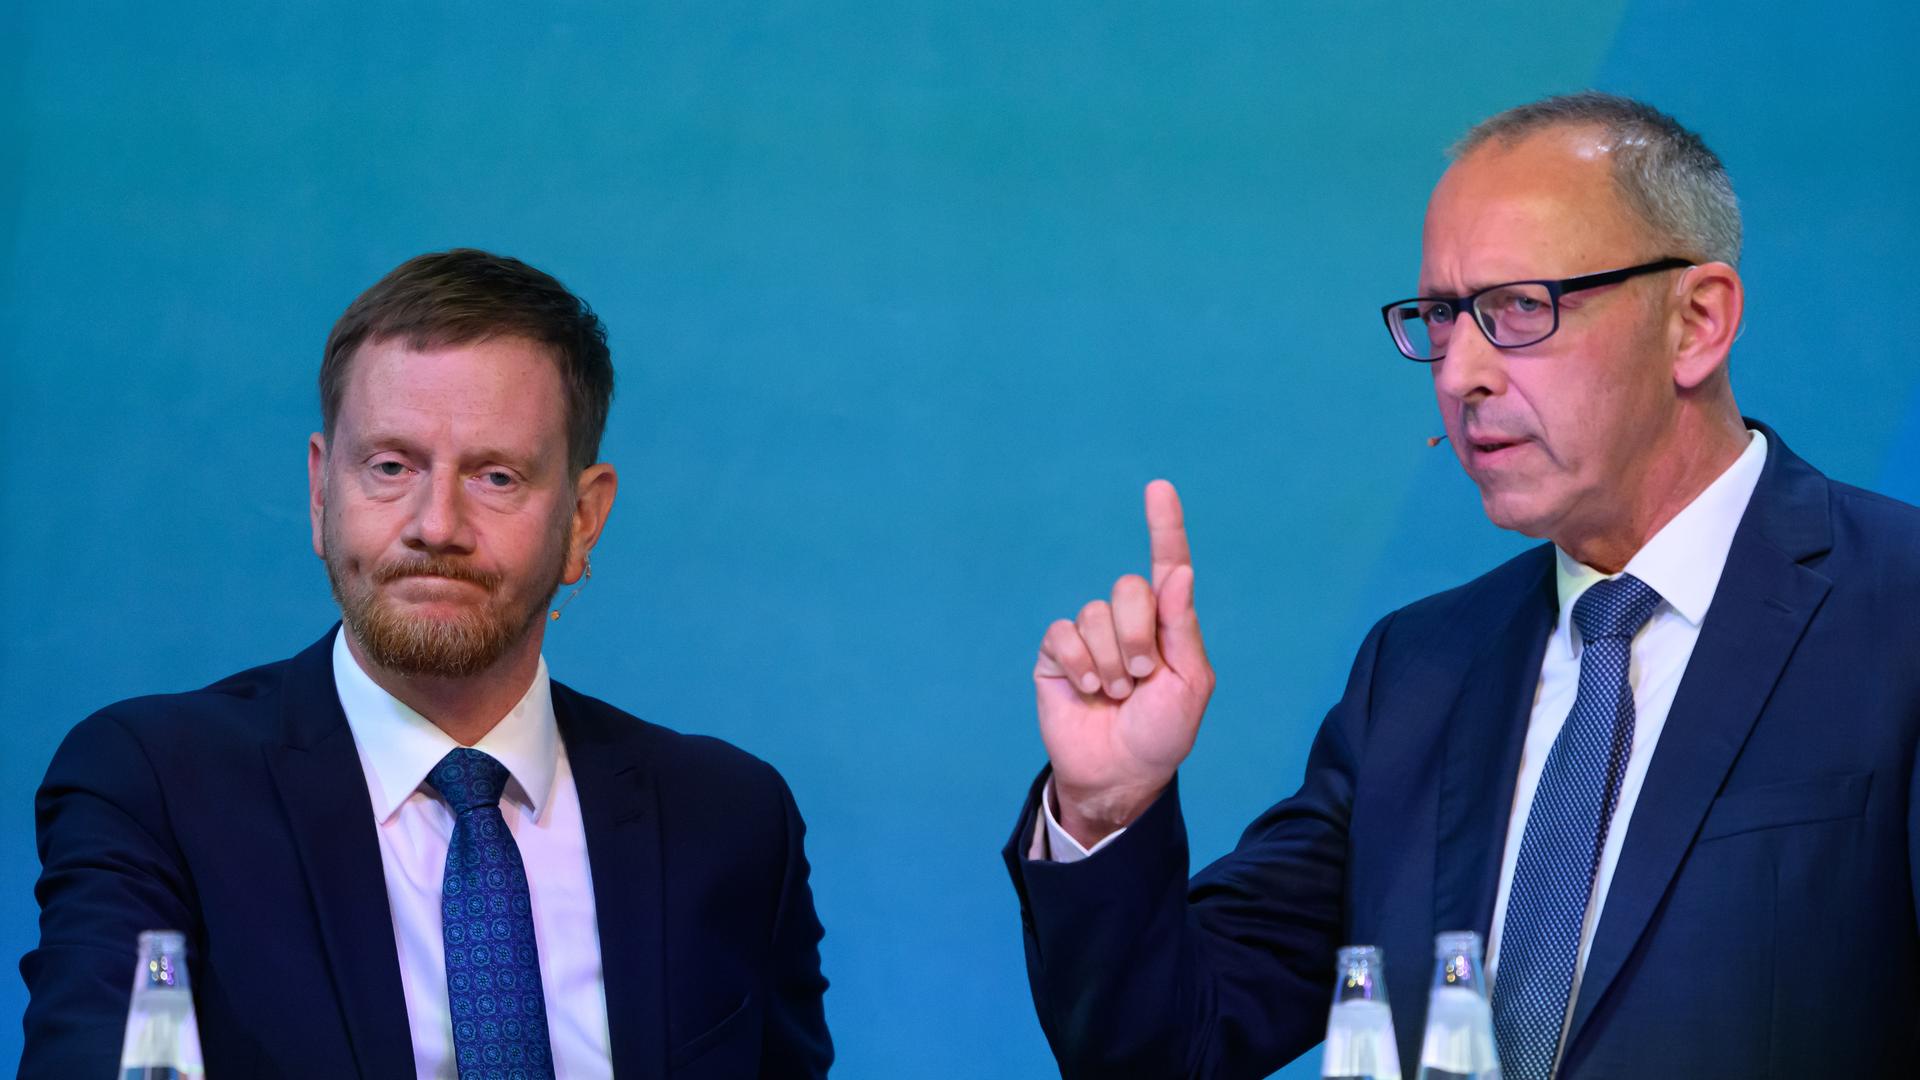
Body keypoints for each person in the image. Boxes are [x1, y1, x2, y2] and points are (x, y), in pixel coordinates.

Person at [1004, 92, 1920, 1078]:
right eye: (1442, 318)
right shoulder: (1420, 672)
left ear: (1697, 322)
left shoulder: (1896, 610)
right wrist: (1104, 812)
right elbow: (1167, 1049)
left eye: (1521, 308)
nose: (1462, 373)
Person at [21, 250, 833, 1079]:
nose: (435, 524)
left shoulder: (730, 821)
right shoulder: (156, 787)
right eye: (391, 467)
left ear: (584, 523)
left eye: (495, 476)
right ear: (320, 492)